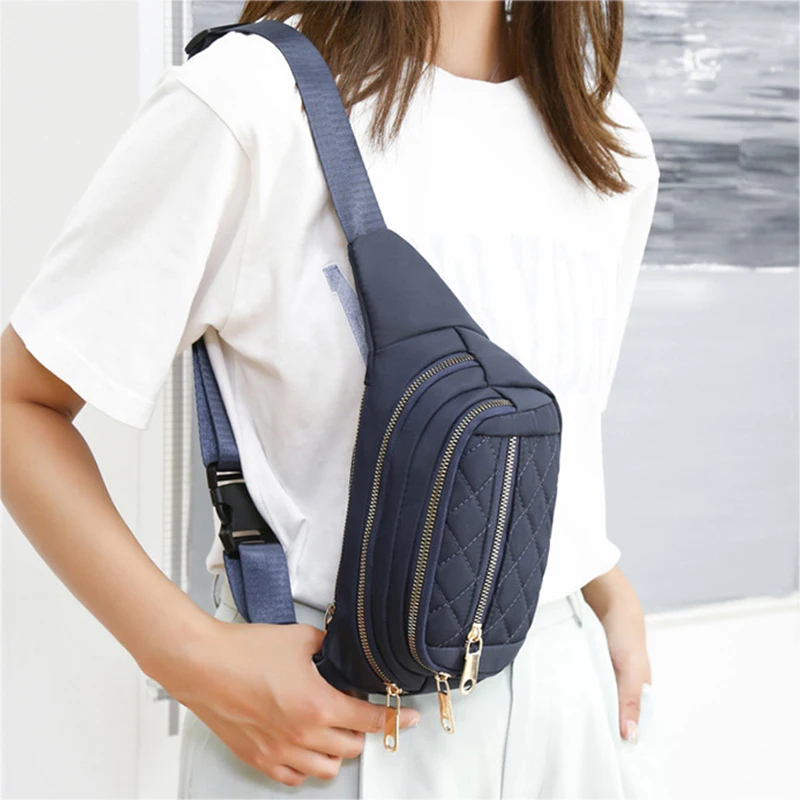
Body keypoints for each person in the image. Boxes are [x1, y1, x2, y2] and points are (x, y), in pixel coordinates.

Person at [1, 1, 665, 797]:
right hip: (328, 722)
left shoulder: (611, 143)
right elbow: (18, 404)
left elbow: (540, 430)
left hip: (571, 707)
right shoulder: (251, 100)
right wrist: (190, 659)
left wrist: (595, 578)